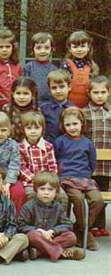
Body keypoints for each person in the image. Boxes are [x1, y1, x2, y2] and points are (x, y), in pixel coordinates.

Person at [53, 107, 104, 250]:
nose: (72, 127)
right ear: (63, 126)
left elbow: (92, 162)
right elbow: (55, 159)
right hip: (67, 179)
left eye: (75, 124)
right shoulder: (60, 141)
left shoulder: (87, 142)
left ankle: (80, 228)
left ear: (82, 124)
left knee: (97, 200)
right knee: (79, 199)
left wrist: (85, 174)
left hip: (85, 178)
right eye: (68, 125)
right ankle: (86, 233)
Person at [18, 171, 85, 261]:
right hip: (37, 237)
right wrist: (39, 231)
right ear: (35, 189)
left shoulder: (59, 207)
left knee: (71, 237)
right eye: (42, 189)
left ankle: (39, 252)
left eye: (50, 189)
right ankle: (61, 253)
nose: (46, 193)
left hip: (52, 237)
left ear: (56, 191)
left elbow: (68, 224)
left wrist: (53, 231)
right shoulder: (28, 206)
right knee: (32, 235)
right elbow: (21, 226)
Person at [82, 75, 111, 237]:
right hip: (90, 163)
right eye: (96, 92)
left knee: (103, 191)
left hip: (107, 166)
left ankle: (100, 225)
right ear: (89, 93)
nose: (99, 95)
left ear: (108, 92)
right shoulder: (84, 113)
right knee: (93, 195)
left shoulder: (110, 112)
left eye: (103, 92)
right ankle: (91, 224)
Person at [18, 111, 68, 206]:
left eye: (37, 128)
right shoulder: (20, 147)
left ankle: (61, 220)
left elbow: (52, 167)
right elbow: (22, 167)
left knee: (62, 196)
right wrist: (35, 179)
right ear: (23, 130)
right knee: (31, 195)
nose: (33, 131)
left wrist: (49, 180)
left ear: (43, 129)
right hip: (30, 183)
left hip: (48, 182)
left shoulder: (48, 146)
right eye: (29, 128)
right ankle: (33, 220)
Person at [60, 30, 99, 108]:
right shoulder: (66, 65)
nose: (79, 49)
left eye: (83, 46)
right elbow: (61, 84)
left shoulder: (91, 66)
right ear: (70, 49)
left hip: (88, 105)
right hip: (68, 104)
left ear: (88, 47)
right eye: (75, 47)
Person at [39, 69, 75, 142]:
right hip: (49, 147)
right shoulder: (43, 108)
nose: (58, 91)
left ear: (69, 87)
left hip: (68, 147)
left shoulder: (74, 109)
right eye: (54, 88)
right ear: (49, 89)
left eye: (62, 87)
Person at [21, 32, 57, 102]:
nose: (42, 51)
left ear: (51, 50)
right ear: (32, 50)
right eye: (38, 48)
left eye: (46, 48)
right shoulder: (28, 67)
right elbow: (24, 87)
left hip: (50, 103)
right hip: (31, 102)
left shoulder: (54, 69)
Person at [2, 76, 40, 141]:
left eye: (25, 94)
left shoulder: (37, 110)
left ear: (33, 95)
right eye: (18, 93)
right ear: (13, 94)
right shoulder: (7, 109)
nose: (21, 97)